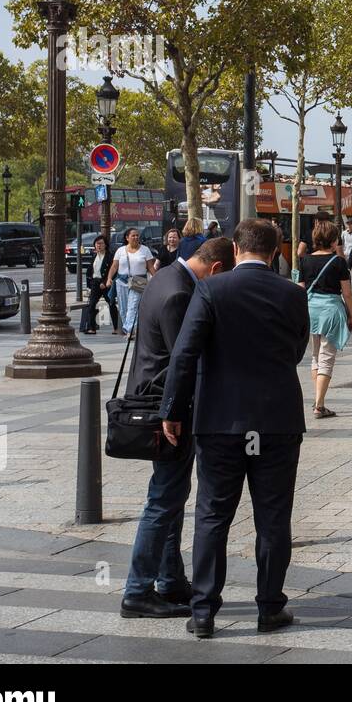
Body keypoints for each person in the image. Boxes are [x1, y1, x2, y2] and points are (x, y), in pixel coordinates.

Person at [158, 219, 310, 639]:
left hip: (220, 421)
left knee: (212, 515)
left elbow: (185, 354)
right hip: (276, 421)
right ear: (276, 252)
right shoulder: (293, 295)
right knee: (274, 518)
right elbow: (297, 350)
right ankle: (270, 606)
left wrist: (171, 409)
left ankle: (204, 610)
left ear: (237, 251)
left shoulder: (210, 289)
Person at [119, 236, 234, 620]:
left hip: (162, 403)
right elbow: (184, 359)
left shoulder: (166, 276)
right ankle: (137, 590)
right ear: (215, 269)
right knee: (164, 498)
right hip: (168, 410)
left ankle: (169, 580)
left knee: (171, 495)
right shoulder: (180, 295)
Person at [298, 220, 352, 419]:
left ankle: (318, 399)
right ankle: (319, 404)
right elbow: (347, 293)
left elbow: (301, 288)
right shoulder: (338, 262)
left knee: (316, 357)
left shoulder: (304, 260)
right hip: (331, 311)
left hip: (310, 310)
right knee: (327, 359)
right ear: (333, 241)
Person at [105, 227, 156, 336]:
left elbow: (151, 267)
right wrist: (109, 278)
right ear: (127, 238)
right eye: (133, 235)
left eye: (137, 235)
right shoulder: (120, 250)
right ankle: (132, 329)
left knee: (133, 306)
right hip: (122, 281)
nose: (136, 237)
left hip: (138, 280)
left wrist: (156, 279)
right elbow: (114, 266)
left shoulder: (145, 250)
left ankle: (129, 330)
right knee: (123, 308)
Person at [79, 234, 118, 335]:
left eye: (101, 243)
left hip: (106, 284)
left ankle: (117, 328)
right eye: (97, 244)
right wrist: (90, 285)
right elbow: (90, 271)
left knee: (111, 304)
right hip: (95, 284)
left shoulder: (110, 256)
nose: (98, 245)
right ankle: (92, 328)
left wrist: (105, 282)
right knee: (91, 305)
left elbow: (113, 271)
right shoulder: (94, 256)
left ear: (105, 245)